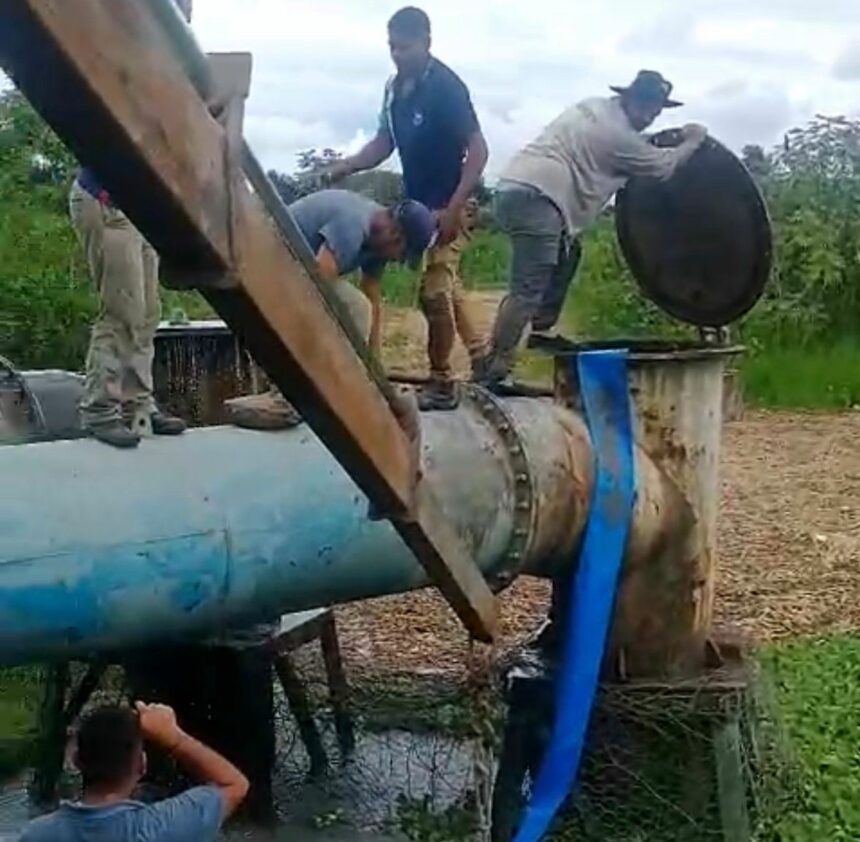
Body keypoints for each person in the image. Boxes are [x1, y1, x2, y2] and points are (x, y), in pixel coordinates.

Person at [478, 70, 709, 386]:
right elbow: (661, 167)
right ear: (629, 98)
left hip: (516, 187)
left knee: (568, 253)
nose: (651, 114)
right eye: (646, 105)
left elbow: (632, 147)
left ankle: (541, 329)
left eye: (657, 109)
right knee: (528, 289)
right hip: (539, 198)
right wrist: (693, 141)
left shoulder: (596, 107)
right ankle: (494, 372)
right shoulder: (617, 135)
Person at [328, 6, 489, 411]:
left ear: (427, 43)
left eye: (406, 47)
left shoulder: (447, 87)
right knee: (438, 282)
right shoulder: (393, 89)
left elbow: (479, 150)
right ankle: (483, 356)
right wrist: (346, 165)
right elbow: (385, 143)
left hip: (452, 202)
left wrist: (454, 208)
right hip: (416, 206)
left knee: (434, 290)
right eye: (392, 47)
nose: (398, 55)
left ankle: (441, 382)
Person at [69, 2, 190, 449]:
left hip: (139, 208)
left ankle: (140, 407)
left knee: (148, 313)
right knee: (121, 312)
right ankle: (99, 408)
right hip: (106, 199)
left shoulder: (169, 71)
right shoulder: (127, 58)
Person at [227, 189, 437, 430]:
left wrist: (374, 369)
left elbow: (374, 299)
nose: (398, 261)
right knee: (355, 308)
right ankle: (287, 397)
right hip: (260, 262)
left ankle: (333, 387)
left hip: (292, 272)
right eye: (402, 254)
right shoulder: (353, 224)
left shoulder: (377, 240)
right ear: (395, 234)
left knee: (362, 308)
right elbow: (317, 291)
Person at [19, 702, 249, 842]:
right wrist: (173, 738)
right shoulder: (163, 828)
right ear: (142, 763)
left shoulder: (37, 835)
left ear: (76, 759)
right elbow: (234, 784)